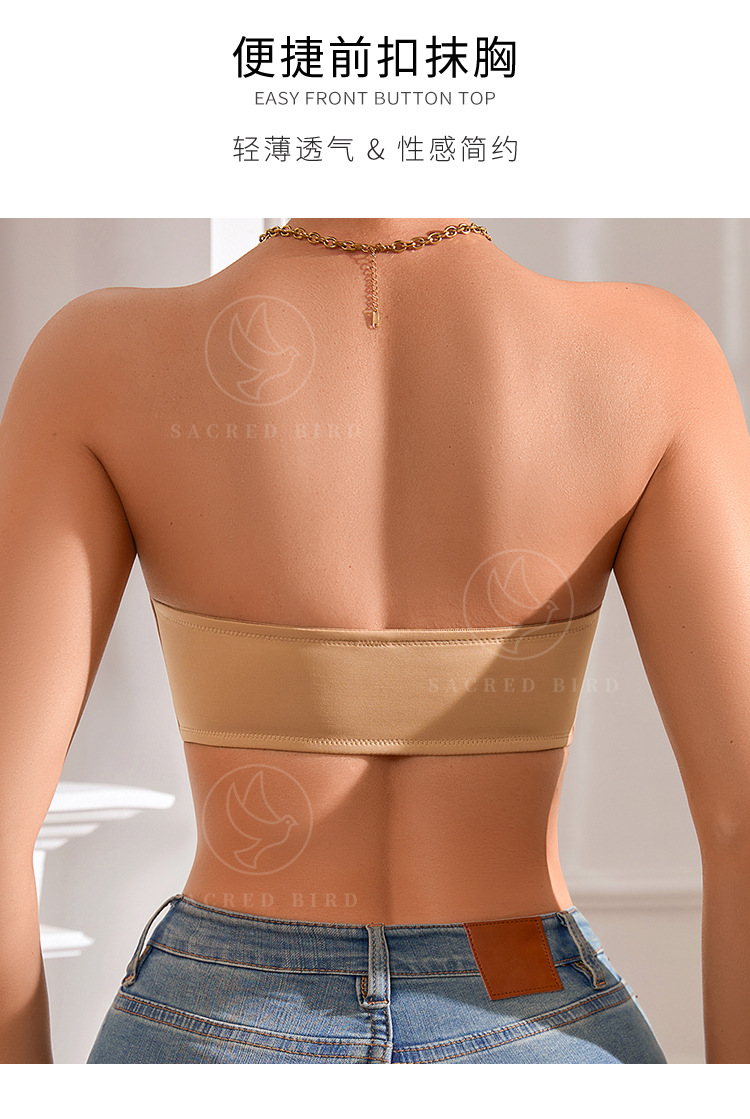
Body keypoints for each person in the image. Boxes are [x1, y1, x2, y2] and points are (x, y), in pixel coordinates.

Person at [1, 218, 748, 1064]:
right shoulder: (655, 354)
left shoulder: (97, 357)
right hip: (523, 990)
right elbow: (740, 820)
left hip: (216, 1016)